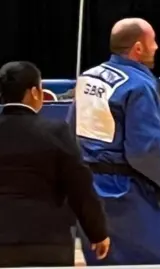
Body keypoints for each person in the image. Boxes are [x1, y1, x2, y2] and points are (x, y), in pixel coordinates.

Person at [69, 18, 160, 265]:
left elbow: (71, 133)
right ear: (138, 48)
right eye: (153, 41)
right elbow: (143, 153)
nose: (158, 47)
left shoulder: (88, 78)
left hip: (87, 192)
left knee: (103, 262)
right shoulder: (138, 85)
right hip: (125, 193)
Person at [0, 61, 110, 267]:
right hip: (46, 242)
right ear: (34, 92)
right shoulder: (55, 132)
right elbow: (81, 188)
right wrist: (97, 233)